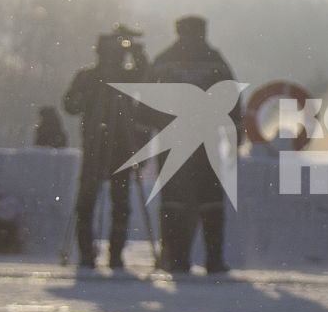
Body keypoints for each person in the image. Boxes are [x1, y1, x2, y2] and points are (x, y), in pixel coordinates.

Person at [146, 15, 240, 274]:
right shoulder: (215, 60)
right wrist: (235, 140)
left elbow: (146, 101)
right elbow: (232, 101)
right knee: (210, 201)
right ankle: (213, 259)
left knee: (173, 201)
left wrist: (150, 130)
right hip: (206, 140)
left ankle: (174, 258)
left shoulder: (164, 60)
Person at [62, 28, 147, 270]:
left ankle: (114, 255)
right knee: (88, 202)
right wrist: (89, 95)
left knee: (119, 204)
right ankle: (87, 254)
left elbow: (146, 75)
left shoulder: (124, 78)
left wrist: (137, 52)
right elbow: (70, 104)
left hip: (120, 147)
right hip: (96, 145)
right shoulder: (89, 78)